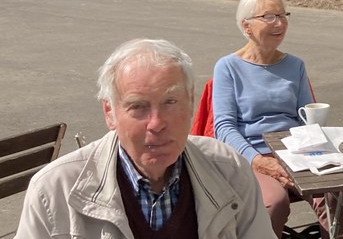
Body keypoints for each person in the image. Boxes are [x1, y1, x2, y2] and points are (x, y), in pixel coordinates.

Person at [16, 38, 274, 238]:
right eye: (138, 106)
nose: (157, 123)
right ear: (110, 112)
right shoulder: (54, 190)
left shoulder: (229, 169)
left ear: (191, 101)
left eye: (170, 102)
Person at [212, 0, 343, 238]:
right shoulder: (228, 67)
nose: (279, 23)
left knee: (332, 195)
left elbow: (306, 119)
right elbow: (223, 127)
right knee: (274, 201)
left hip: (294, 151)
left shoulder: (294, 65)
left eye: (283, 15)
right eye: (269, 16)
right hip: (251, 155)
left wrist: (308, 153)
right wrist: (258, 160)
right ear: (247, 26)